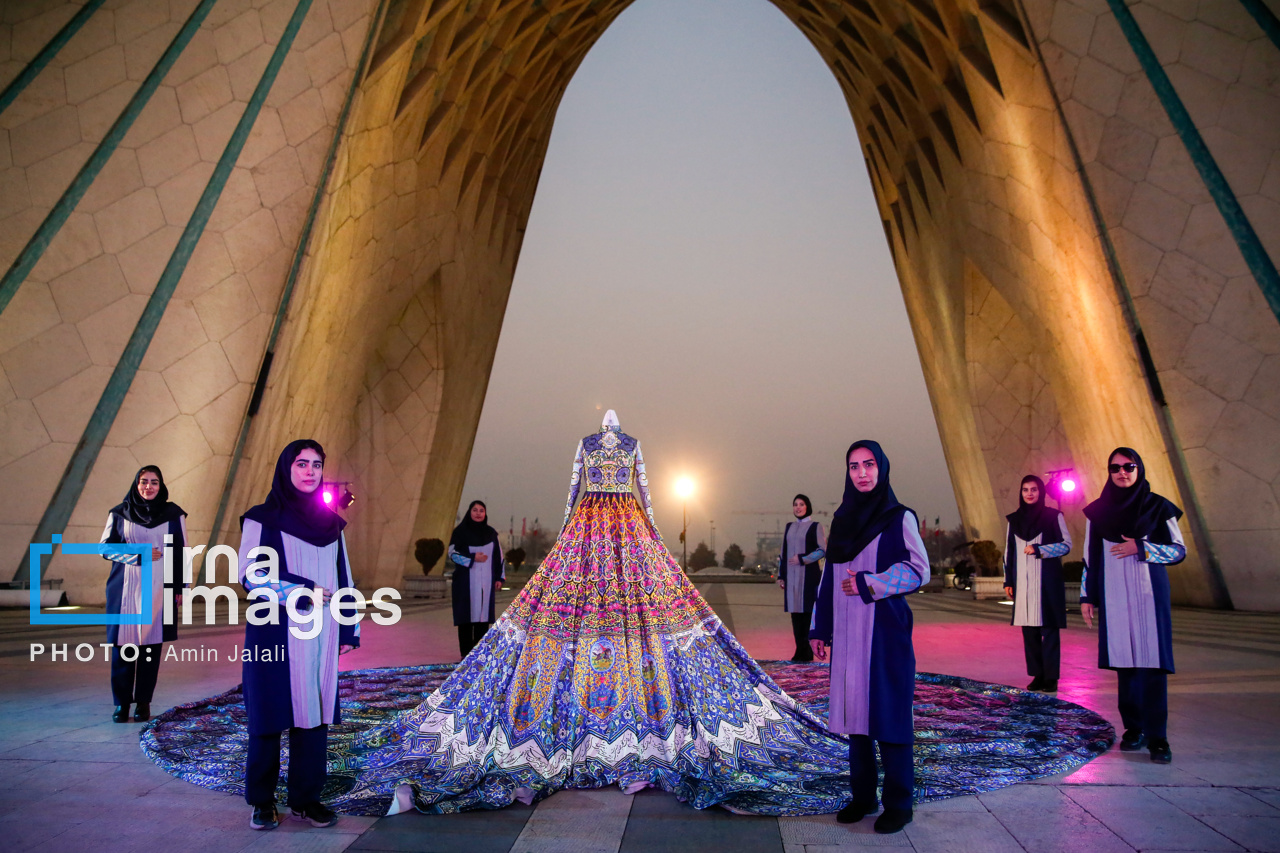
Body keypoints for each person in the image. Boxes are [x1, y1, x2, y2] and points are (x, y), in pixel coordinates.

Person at [341, 410, 850, 816]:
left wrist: (570, 532)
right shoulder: (628, 449)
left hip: (589, 529)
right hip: (626, 527)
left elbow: (573, 493)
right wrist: (647, 530)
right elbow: (644, 496)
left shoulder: (590, 448)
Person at [237, 439, 360, 831]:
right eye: (302, 463)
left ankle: (306, 799)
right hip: (274, 633)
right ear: (286, 468)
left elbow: (345, 578)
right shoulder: (262, 518)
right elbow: (251, 576)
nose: (310, 471)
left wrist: (350, 627)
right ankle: (262, 801)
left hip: (321, 634)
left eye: (317, 464)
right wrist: (301, 591)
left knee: (314, 715)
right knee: (270, 715)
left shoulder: (332, 525)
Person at [810, 440, 929, 835]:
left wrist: (871, 583)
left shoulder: (899, 518)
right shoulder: (842, 521)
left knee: (890, 717)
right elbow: (828, 578)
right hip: (847, 635)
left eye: (869, 464)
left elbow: (918, 570)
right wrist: (820, 628)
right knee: (855, 719)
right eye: (854, 466)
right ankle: (862, 797)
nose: (862, 473)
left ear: (882, 468)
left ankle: (899, 803)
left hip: (885, 635)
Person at [1079, 447, 1184, 764]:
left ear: (1139, 469)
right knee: (1125, 666)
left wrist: (1141, 547)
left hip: (1149, 597)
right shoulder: (1097, 513)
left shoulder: (1158, 507)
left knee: (1153, 665)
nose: (1122, 472)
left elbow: (1178, 551)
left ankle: (1158, 738)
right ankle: (1133, 729)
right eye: (1115, 467)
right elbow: (1090, 558)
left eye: (1129, 466)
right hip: (1115, 596)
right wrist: (1088, 597)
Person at [100, 465, 188, 723]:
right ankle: (121, 704)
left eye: (154, 482)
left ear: (161, 486)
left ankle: (143, 703)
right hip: (125, 587)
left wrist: (181, 587)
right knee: (123, 647)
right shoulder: (119, 513)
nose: (149, 487)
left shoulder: (173, 514)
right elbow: (104, 548)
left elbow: (181, 551)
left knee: (151, 648)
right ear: (136, 484)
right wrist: (137, 555)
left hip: (160, 587)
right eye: (144, 482)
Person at [1002, 475, 1072, 692]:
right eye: (1025, 490)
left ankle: (1051, 677)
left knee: (1049, 631)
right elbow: (1009, 552)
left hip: (1047, 582)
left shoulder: (1053, 516)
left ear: (1041, 492)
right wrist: (1009, 580)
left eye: (1033, 489)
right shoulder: (1014, 520)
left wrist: (1042, 550)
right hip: (1023, 583)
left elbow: (1066, 545)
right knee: (1029, 633)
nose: (1029, 493)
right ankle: (1038, 675)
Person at [449, 500, 505, 657]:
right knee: (466, 620)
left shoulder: (491, 534)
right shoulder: (460, 533)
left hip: (485, 584)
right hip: (465, 583)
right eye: (475, 510)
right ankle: (465, 655)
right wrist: (472, 558)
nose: (478, 513)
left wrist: (499, 577)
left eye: (481, 510)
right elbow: (453, 554)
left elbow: (498, 557)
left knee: (482, 620)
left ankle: (480, 655)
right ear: (470, 512)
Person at [777, 494, 825, 661]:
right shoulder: (789, 527)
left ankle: (806, 651)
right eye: (795, 504)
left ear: (807, 507)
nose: (798, 507)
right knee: (795, 615)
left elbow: (822, 550)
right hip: (792, 579)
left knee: (807, 614)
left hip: (808, 578)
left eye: (801, 504)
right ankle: (799, 649)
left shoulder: (815, 526)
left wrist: (802, 559)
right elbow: (783, 553)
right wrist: (781, 576)